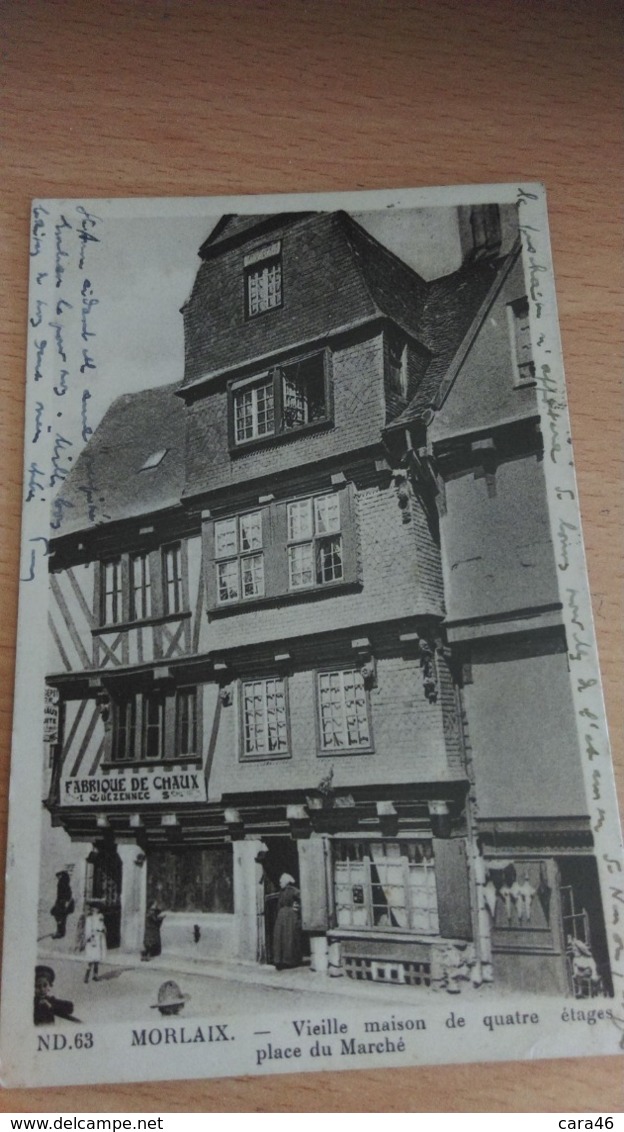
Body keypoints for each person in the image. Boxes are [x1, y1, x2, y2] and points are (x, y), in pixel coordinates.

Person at [272, 873, 302, 970]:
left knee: (288, 937)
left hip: (289, 916)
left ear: (286, 882)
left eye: (281, 881)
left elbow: (302, 898)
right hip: (283, 916)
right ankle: (281, 960)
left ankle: (288, 960)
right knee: (281, 937)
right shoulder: (282, 891)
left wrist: (297, 907)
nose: (280, 883)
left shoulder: (293, 891)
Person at [83, 901, 107, 983]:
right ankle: (86, 976)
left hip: (99, 938)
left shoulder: (100, 917)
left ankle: (95, 975)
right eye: (94, 909)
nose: (96, 910)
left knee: (97, 958)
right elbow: (88, 929)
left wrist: (103, 930)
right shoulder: (90, 919)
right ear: (92, 910)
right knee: (91, 958)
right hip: (93, 938)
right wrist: (89, 937)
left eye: (97, 909)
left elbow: (103, 926)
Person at [50, 870, 74, 939]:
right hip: (61, 903)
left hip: (63, 903)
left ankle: (60, 933)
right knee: (59, 917)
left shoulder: (64, 884)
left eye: (59, 876)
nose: (58, 877)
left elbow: (68, 895)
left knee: (60, 918)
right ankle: (60, 932)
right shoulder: (62, 883)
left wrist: (66, 903)